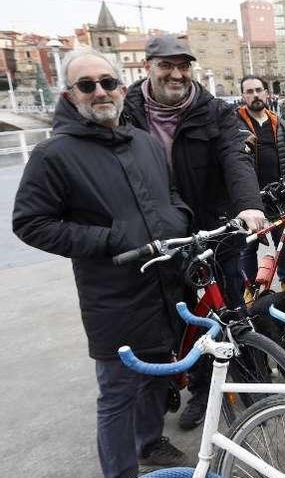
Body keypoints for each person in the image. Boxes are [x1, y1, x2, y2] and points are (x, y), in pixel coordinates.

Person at [13, 48, 191, 477]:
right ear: (70, 94)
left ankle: (149, 442)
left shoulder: (145, 142)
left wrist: (177, 221)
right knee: (117, 392)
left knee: (157, 375)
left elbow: (171, 196)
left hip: (163, 284)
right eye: (87, 85)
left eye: (107, 82)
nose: (99, 92)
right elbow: (31, 223)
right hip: (112, 294)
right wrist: (112, 239)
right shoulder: (53, 155)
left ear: (122, 87)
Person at [122, 34, 266, 430]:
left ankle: (210, 390)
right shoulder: (128, 111)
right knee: (171, 315)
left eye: (183, 65)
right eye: (167, 65)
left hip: (213, 227)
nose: (176, 73)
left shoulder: (214, 110)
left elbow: (235, 158)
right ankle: (170, 378)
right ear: (148, 67)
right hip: (158, 231)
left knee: (228, 308)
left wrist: (249, 205)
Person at [237, 74, 285, 295]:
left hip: (277, 194)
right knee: (248, 245)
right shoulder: (235, 125)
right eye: (249, 91)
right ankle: (250, 287)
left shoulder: (280, 123)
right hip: (249, 197)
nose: (255, 95)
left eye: (259, 90)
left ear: (267, 93)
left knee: (282, 240)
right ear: (243, 96)